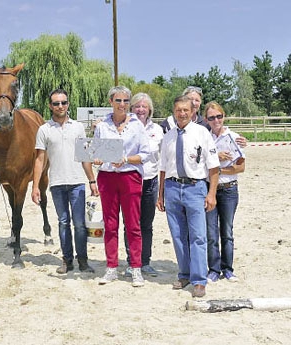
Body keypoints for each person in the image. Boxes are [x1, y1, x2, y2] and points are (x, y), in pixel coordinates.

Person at [156, 94, 220, 298]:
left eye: (186, 110)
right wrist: (161, 194)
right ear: (174, 112)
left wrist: (211, 194)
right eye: (178, 110)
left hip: (195, 188)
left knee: (198, 237)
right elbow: (163, 168)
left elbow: (214, 167)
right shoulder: (168, 136)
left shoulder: (202, 133)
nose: (182, 113)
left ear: (193, 112)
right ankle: (184, 274)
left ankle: (199, 280)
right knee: (177, 236)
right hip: (173, 188)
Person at [31, 89, 98, 274]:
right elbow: (39, 159)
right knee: (63, 222)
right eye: (56, 103)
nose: (60, 106)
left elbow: (85, 156)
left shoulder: (77, 127)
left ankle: (83, 260)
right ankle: (67, 260)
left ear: (68, 103)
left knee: (79, 224)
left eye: (63, 102)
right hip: (57, 183)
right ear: (50, 106)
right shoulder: (44, 130)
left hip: (77, 182)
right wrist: (35, 186)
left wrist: (92, 180)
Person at [93, 85, 150, 287]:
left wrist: (126, 159)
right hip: (107, 178)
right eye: (118, 101)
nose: (122, 104)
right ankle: (111, 267)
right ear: (111, 102)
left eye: (126, 101)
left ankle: (136, 267)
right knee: (110, 225)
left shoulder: (137, 125)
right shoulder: (102, 126)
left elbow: (145, 154)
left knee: (133, 225)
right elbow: (95, 152)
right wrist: (97, 159)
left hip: (130, 177)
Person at [204, 101, 246, 283]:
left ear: (224, 116)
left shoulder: (233, 137)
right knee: (211, 233)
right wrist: (215, 158)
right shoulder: (204, 138)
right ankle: (214, 268)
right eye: (212, 118)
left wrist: (218, 170)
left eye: (219, 116)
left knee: (227, 231)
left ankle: (227, 268)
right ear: (206, 120)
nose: (216, 120)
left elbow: (241, 167)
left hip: (229, 190)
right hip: (209, 189)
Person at [123, 93, 163, 278]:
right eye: (137, 106)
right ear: (131, 108)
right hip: (129, 179)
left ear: (149, 110)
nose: (140, 110)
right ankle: (132, 262)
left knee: (146, 224)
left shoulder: (157, 130)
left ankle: (145, 261)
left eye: (144, 106)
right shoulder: (124, 127)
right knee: (130, 224)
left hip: (150, 180)